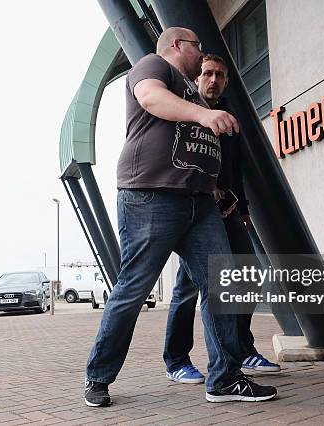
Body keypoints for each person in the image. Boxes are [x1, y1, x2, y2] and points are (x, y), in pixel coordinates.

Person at [84, 27, 277, 407]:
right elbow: (150, 98)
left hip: (200, 204)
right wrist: (203, 117)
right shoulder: (154, 67)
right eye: (197, 46)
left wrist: (217, 187)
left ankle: (224, 379)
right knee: (133, 289)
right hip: (150, 197)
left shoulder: (196, 95)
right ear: (177, 45)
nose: (201, 53)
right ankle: (98, 377)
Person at [163, 54, 281, 385]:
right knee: (190, 288)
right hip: (194, 210)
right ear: (196, 78)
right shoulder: (184, 111)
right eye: (207, 73)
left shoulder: (229, 118)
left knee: (249, 276)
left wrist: (242, 209)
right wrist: (204, 187)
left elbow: (235, 167)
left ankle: (242, 349)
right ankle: (176, 360)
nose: (213, 79)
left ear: (226, 81)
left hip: (228, 211)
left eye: (220, 75)